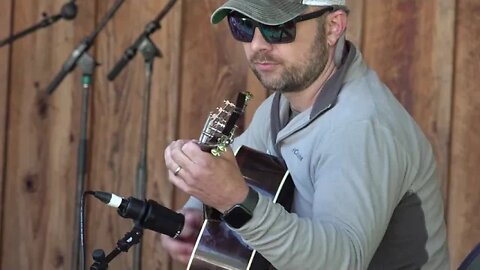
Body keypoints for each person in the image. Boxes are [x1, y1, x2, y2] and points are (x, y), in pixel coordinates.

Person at [161, 0, 450, 269]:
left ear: (333, 27)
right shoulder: (281, 105)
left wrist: (235, 202)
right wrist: (195, 214)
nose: (257, 45)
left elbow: (342, 261)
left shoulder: (361, 127)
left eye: (277, 28)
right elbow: (231, 172)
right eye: (244, 25)